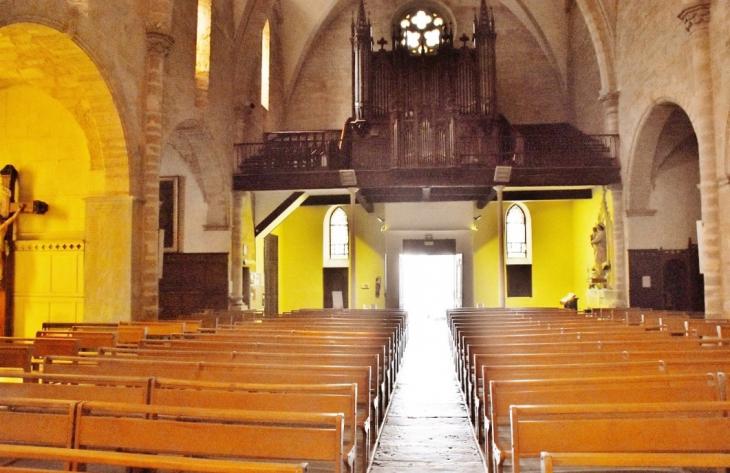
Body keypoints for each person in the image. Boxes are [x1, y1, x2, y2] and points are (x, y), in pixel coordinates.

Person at [0, 204, 24, 283]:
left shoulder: (2, 226)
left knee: (0, 262)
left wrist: (18, 210)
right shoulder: (3, 226)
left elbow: (12, 218)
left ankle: (0, 277)